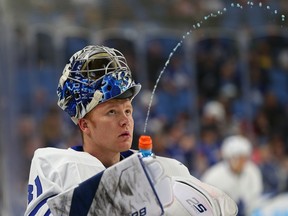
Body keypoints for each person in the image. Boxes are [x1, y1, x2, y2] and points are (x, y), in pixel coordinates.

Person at [25, 45, 238, 215]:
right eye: (111, 112)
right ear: (84, 124)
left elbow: (224, 207)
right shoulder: (55, 165)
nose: (125, 120)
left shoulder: (167, 169)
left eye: (127, 110)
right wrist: (127, 188)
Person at [201, 135, 263, 215]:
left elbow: (256, 196)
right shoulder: (213, 175)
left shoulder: (252, 171)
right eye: (238, 158)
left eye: (244, 158)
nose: (242, 162)